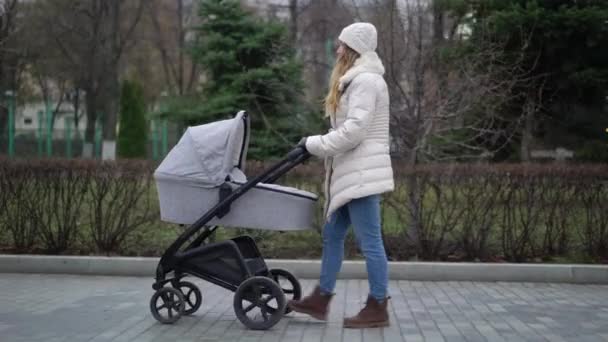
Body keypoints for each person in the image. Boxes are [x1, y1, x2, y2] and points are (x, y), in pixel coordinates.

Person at [289, 22, 394, 328]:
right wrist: (318, 144)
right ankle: (321, 298)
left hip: (361, 173)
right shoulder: (355, 80)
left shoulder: (366, 82)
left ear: (353, 49)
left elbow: (354, 132)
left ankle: (378, 306)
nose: (337, 50)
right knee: (333, 235)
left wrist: (313, 144)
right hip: (350, 171)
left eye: (341, 45)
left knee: (370, 241)